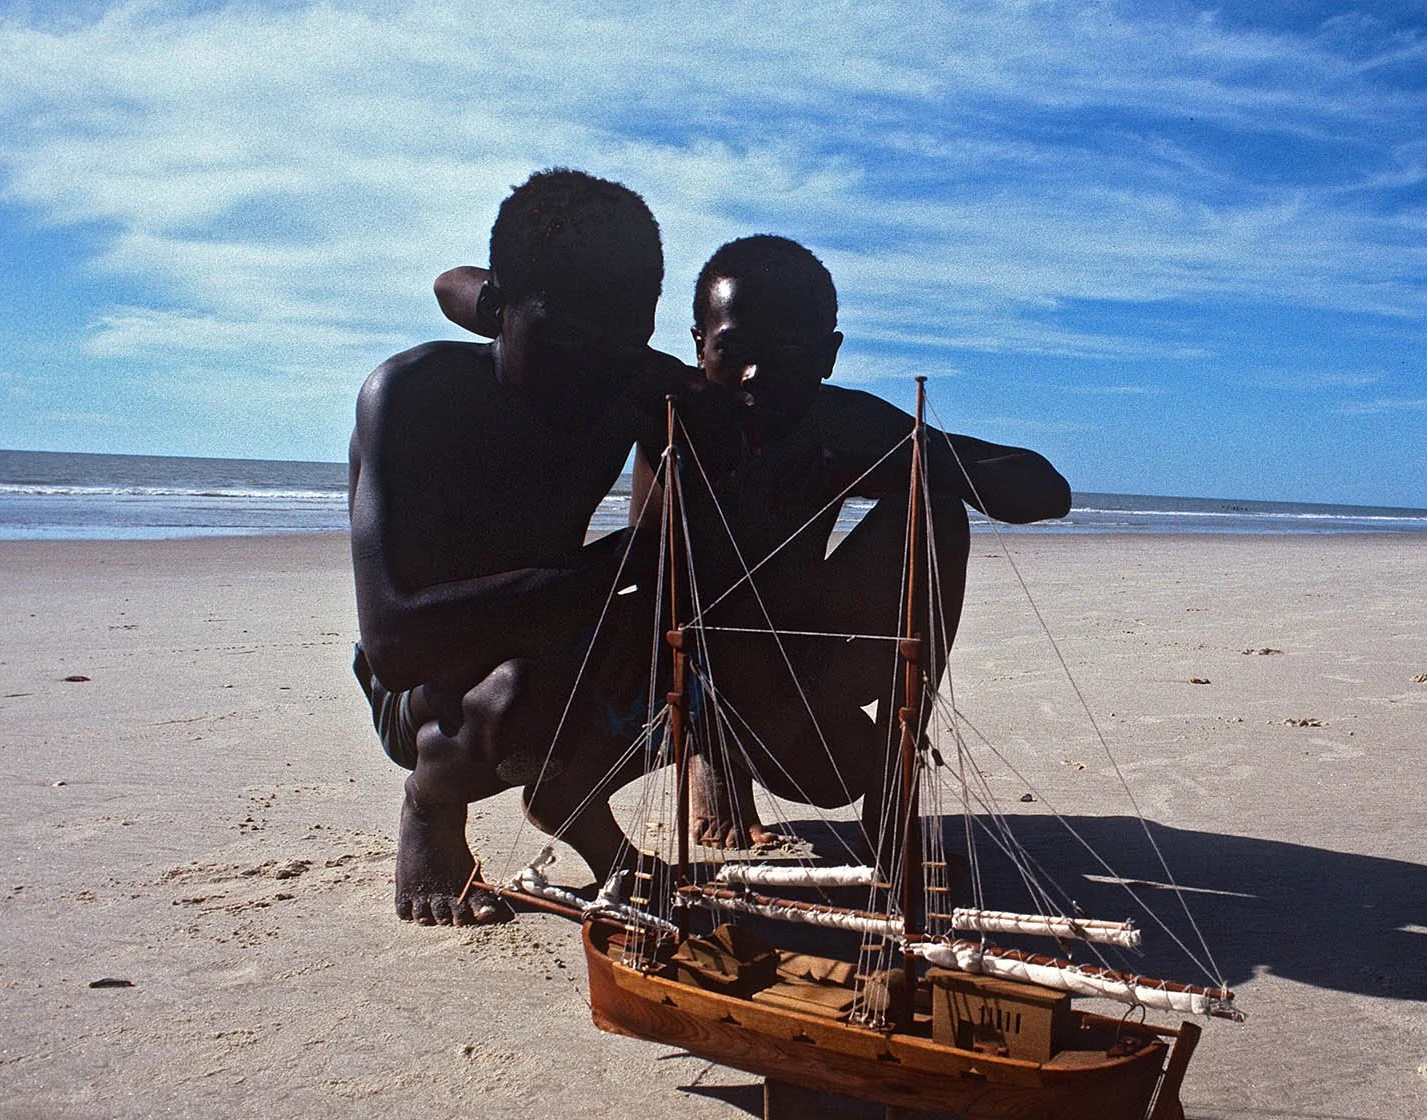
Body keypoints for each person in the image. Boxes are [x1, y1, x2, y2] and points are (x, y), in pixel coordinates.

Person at [433, 235, 1070, 852]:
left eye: (789, 350)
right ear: (698, 346)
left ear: (828, 355)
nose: (756, 373)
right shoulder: (664, 397)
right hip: (664, 666)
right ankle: (705, 767)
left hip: (782, 664)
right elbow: (450, 285)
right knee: (555, 769)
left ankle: (890, 800)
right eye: (733, 348)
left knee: (936, 512)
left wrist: (898, 456)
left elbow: (1047, 491)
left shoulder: (840, 423)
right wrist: (511, 302)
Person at [350, 168, 741, 926]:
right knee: (518, 691)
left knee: (722, 656)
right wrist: (613, 567)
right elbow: (396, 644)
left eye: (625, 340)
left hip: (557, 633)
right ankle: (429, 802)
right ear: (497, 309)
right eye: (565, 338)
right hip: (429, 684)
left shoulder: (625, 377)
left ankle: (575, 803)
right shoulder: (413, 396)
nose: (591, 369)